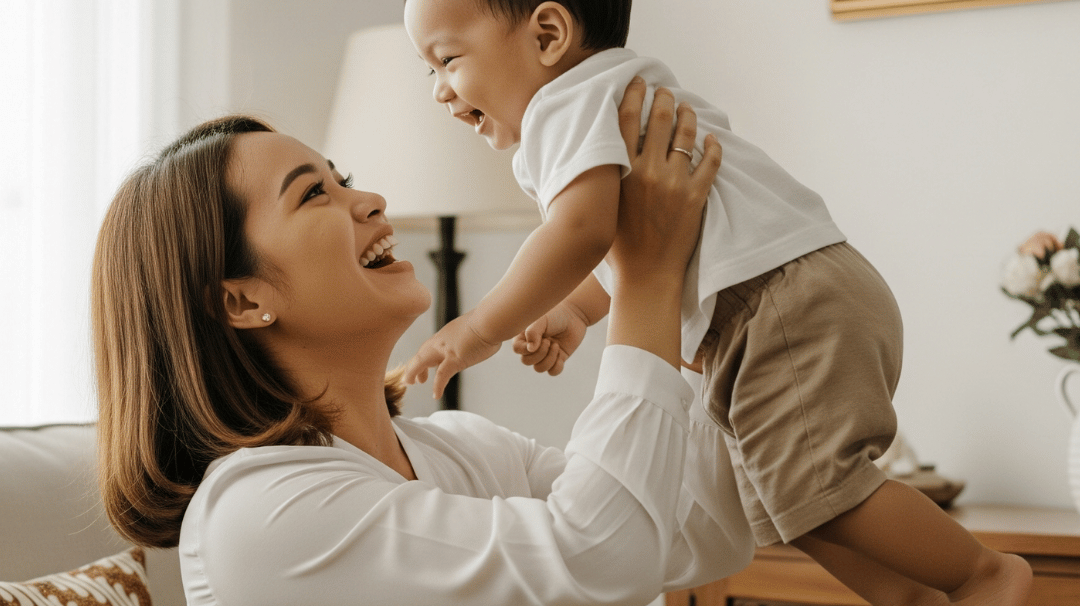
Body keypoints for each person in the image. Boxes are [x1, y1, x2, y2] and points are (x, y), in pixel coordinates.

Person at [402, 0, 1033, 604]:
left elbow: (579, 231)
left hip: (780, 304)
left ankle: (982, 573)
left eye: (449, 60)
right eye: (430, 69)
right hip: (783, 302)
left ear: (547, 36)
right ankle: (916, 596)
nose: (439, 90)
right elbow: (628, 240)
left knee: (822, 485)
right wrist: (577, 309)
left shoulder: (565, 105)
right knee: (792, 504)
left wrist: (479, 328)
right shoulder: (608, 97)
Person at [91, 81, 755, 605]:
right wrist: (645, 277)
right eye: (314, 193)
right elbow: (598, 561)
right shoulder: (258, 514)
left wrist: (693, 302)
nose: (372, 200)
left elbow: (699, 530)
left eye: (341, 178)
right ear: (241, 300)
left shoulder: (469, 450)